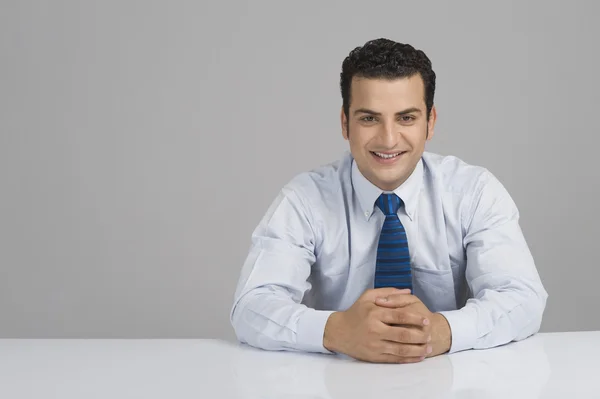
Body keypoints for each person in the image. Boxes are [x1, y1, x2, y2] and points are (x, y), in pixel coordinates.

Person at [230, 38, 548, 364]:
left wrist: (440, 331)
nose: (388, 139)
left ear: (431, 122)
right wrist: (336, 330)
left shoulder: (474, 192)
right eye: (369, 119)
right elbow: (251, 306)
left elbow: (523, 298)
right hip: (332, 382)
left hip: (449, 380)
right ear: (345, 123)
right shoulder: (304, 200)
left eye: (406, 118)